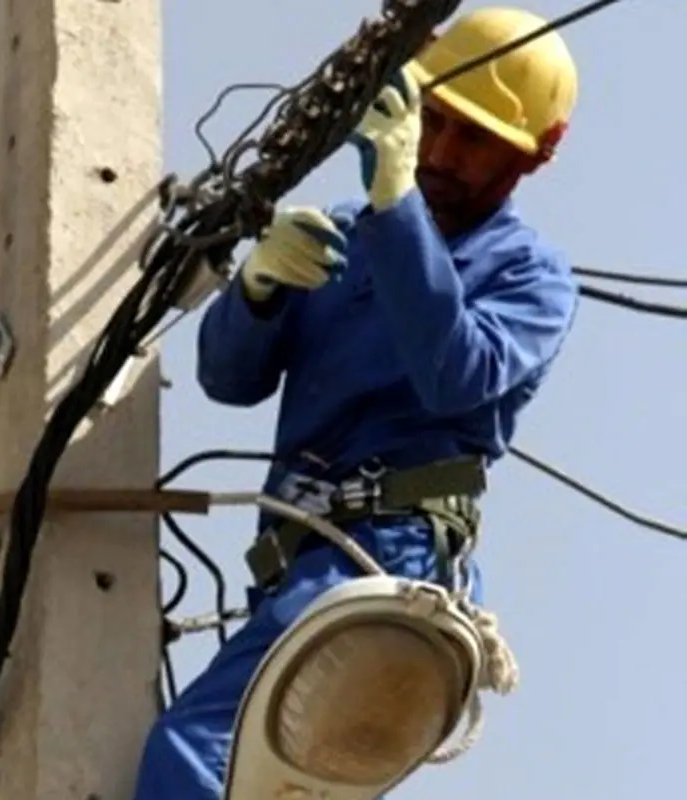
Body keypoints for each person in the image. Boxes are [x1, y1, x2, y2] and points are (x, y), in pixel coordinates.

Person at [133, 7, 581, 800]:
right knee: (255, 780)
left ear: (536, 156)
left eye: (474, 140)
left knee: (198, 753)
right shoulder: (350, 232)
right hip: (295, 567)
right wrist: (259, 289)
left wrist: (397, 201)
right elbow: (227, 379)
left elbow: (456, 373)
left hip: (387, 554)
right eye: (435, 122)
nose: (442, 153)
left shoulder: (529, 275)